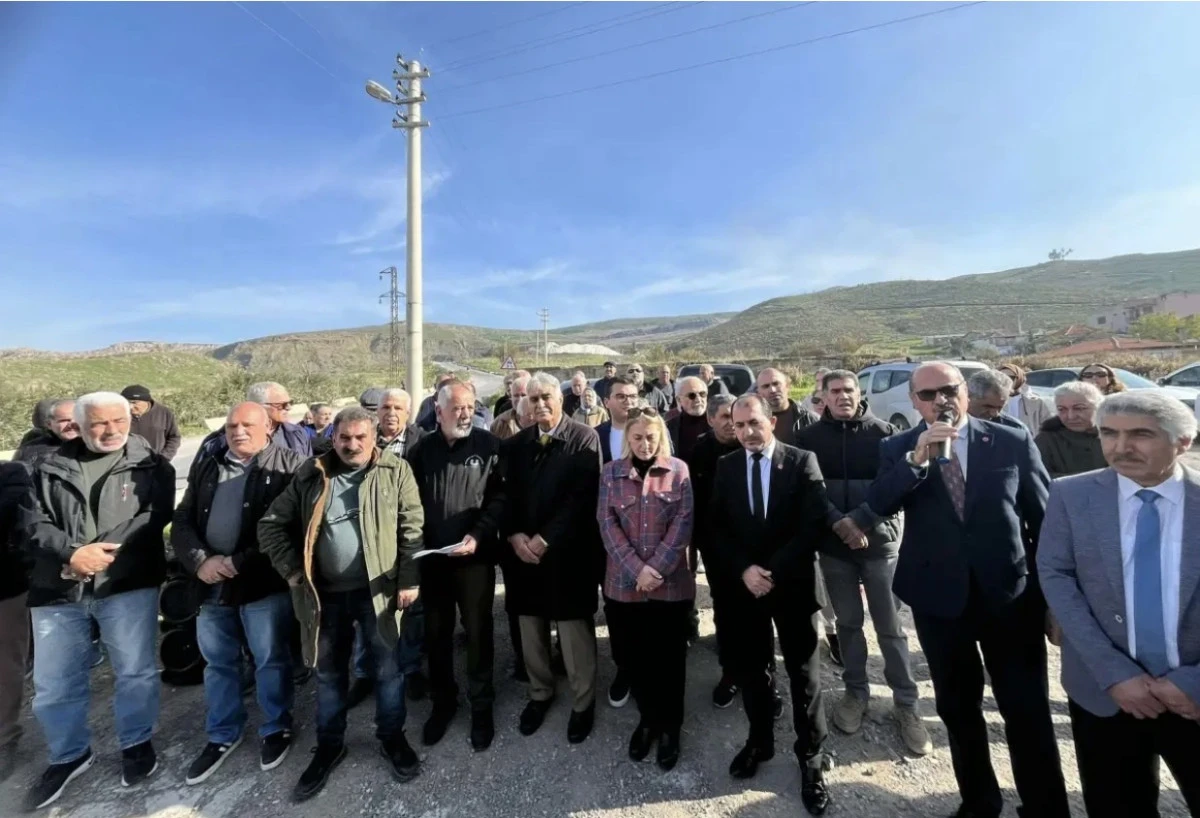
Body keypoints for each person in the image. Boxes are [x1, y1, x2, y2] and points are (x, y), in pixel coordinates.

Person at [867, 362, 1069, 818]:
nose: (940, 401)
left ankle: (1046, 807)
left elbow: (1044, 521)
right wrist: (915, 461)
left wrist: (1054, 599)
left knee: (1026, 710)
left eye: (948, 390)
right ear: (914, 402)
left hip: (1009, 598)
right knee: (958, 709)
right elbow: (879, 504)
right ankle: (979, 802)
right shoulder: (897, 447)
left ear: (964, 391)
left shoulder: (1010, 438)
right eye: (927, 394)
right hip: (940, 603)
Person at [1039, 390, 1200, 817]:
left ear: (1182, 441)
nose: (1121, 447)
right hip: (1105, 692)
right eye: (1109, 433)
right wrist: (1114, 673)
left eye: (1141, 435)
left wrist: (1194, 680)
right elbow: (1057, 577)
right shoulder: (1071, 496)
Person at [258, 406, 424, 801]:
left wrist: (409, 578)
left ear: (373, 438)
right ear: (333, 438)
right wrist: (293, 571)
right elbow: (270, 525)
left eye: (360, 438)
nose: (352, 445)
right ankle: (330, 744)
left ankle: (391, 737)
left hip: (377, 593)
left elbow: (412, 526)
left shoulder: (394, 471)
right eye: (344, 438)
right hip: (325, 596)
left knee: (387, 670)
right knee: (330, 674)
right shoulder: (311, 474)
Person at [22, 392, 174, 811]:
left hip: (125, 583)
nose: (109, 431)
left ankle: (137, 742)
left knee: (136, 671)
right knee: (53, 683)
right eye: (98, 424)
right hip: (58, 587)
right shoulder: (42, 464)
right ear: (79, 424)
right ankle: (69, 754)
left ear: (130, 420)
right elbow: (31, 520)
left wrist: (98, 556)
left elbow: (151, 517)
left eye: (117, 422)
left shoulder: (153, 466)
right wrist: (71, 554)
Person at [794, 371, 931, 756]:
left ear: (859, 393)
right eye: (834, 391)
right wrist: (841, 523)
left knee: (891, 629)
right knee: (849, 625)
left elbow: (897, 488)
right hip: (835, 548)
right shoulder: (807, 440)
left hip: (880, 546)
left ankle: (907, 705)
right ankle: (856, 693)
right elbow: (810, 490)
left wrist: (863, 522)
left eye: (849, 390)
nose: (843, 397)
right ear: (822, 397)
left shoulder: (885, 433)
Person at [710, 394, 833, 814]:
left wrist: (772, 571)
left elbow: (812, 524)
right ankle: (759, 742)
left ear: (773, 421)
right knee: (753, 670)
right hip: (746, 589)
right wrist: (745, 570)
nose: (745, 432)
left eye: (753, 423)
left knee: (804, 674)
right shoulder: (726, 467)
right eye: (737, 424)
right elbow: (717, 528)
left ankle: (811, 756)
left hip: (792, 584)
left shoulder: (801, 461)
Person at [172, 402, 306, 785]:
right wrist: (200, 560)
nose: (238, 431)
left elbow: (293, 528)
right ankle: (222, 734)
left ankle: (275, 727)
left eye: (248, 424)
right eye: (232, 425)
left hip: (260, 583)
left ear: (268, 427)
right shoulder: (208, 464)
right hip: (210, 583)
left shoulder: (289, 466)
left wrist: (241, 562)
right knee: (218, 664)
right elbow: (182, 518)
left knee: (270, 660)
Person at [502, 373, 604, 745]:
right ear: (524, 403)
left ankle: (582, 702)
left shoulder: (583, 438)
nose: (540, 404)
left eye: (547, 397)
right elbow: (505, 497)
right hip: (522, 554)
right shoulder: (514, 446)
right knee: (531, 629)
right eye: (533, 399)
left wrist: (545, 539)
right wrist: (514, 535)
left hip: (569, 553)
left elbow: (582, 498)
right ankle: (540, 693)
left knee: (573, 630)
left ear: (560, 399)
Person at [406, 382, 504, 752]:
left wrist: (478, 535)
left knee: (478, 633)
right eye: (457, 407)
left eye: (470, 407)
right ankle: (443, 703)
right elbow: (410, 503)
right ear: (438, 408)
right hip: (433, 562)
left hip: (474, 560)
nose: (465, 413)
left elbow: (499, 499)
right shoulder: (421, 450)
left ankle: (482, 707)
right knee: (437, 634)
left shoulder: (488, 446)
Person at [598, 406, 694, 771]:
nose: (643, 443)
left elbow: (683, 525)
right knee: (634, 657)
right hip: (624, 585)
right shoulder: (610, 473)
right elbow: (607, 525)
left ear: (661, 437)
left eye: (650, 436)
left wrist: (654, 569)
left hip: (668, 586)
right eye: (636, 437)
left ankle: (671, 727)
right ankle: (648, 718)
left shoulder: (678, 471)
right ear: (628, 439)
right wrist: (637, 569)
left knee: (669, 661)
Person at [684, 393, 742, 707]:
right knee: (725, 607)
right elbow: (694, 501)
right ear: (710, 419)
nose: (733, 424)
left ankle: (765, 677)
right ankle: (730, 672)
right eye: (724, 417)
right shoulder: (700, 453)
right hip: (717, 547)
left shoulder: (753, 446)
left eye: (737, 417)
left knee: (758, 611)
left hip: (755, 546)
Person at [0, 462, 37, 783]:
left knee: (5, 666)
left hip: (4, 587)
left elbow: (13, 514)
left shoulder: (11, 474)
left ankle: (3, 739)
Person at [1035, 381, 1107, 478]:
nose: (1070, 416)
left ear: (1098, 407)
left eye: (1079, 408)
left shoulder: (1115, 435)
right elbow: (1038, 477)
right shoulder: (1046, 440)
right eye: (1062, 409)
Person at [755, 368, 817, 446]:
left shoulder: (809, 419)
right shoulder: (752, 421)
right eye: (766, 386)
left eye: (776, 383)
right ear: (758, 393)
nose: (772, 390)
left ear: (787, 386)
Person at [120, 385, 182, 461]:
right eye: (127, 402)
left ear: (146, 401)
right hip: (127, 464)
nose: (130, 406)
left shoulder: (163, 412)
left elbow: (174, 437)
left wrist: (164, 458)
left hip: (156, 463)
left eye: (134, 402)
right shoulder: (120, 414)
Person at [15, 399, 79, 466]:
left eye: (77, 419)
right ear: (49, 424)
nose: (72, 424)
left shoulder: (90, 447)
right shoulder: (29, 451)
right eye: (64, 420)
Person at [596, 377, 641, 465]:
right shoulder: (596, 435)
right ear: (606, 402)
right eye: (621, 396)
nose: (628, 401)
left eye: (633, 396)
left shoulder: (652, 431)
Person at [995, 364, 1053, 430]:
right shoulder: (993, 401)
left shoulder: (1036, 402)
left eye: (1010, 378)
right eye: (1001, 377)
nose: (1005, 381)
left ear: (1019, 379)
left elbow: (1049, 427)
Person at [665, 377, 709, 463]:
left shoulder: (718, 422)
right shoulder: (669, 427)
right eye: (691, 395)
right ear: (678, 400)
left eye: (702, 394)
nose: (698, 399)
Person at [376, 388, 424, 458]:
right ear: (378, 411)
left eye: (398, 408)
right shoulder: (366, 436)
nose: (391, 413)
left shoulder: (421, 440)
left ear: (407, 413)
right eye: (386, 407)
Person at [490, 375, 530, 440]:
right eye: (516, 396)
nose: (520, 400)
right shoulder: (500, 423)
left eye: (524, 395)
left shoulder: (541, 421)